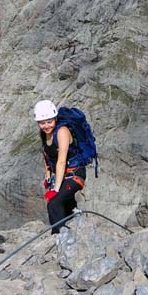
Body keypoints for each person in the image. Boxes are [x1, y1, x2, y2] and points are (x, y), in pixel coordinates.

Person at [34, 99, 86, 233]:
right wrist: (48, 177)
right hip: (61, 175)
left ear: (55, 119)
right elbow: (46, 155)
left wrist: (55, 190)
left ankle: (58, 234)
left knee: (54, 203)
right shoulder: (45, 134)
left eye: (49, 122)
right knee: (66, 203)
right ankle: (75, 227)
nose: (46, 126)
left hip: (74, 174)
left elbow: (61, 161)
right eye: (42, 123)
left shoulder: (62, 132)